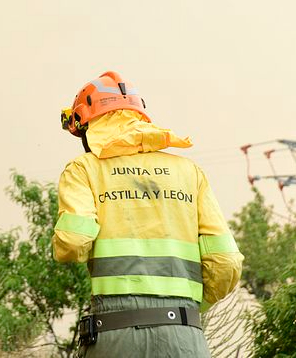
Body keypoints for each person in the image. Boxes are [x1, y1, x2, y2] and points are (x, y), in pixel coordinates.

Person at [53, 71, 243, 357]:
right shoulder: (189, 172)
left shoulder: (84, 169)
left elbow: (73, 242)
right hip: (183, 334)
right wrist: (188, 309)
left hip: (114, 334)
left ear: (87, 124)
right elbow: (227, 263)